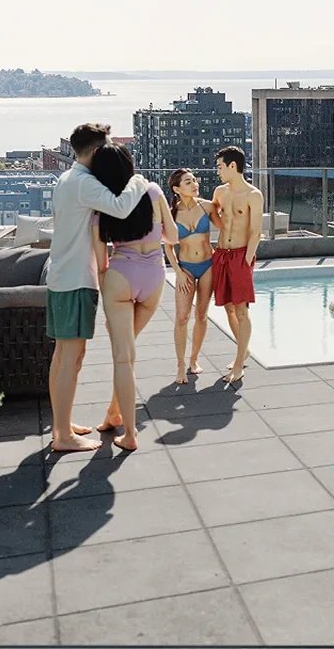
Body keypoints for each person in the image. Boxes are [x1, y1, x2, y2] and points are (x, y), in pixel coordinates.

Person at [45, 123, 151, 454]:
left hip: (63, 275)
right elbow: (120, 207)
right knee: (70, 357)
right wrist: (138, 181)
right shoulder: (84, 183)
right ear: (94, 151)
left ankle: (61, 422)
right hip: (76, 279)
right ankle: (62, 434)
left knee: (64, 355)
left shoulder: (68, 179)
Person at [88, 145, 176, 451]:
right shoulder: (152, 191)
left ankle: (130, 435)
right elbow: (173, 236)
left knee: (123, 356)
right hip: (154, 277)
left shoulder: (101, 208)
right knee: (129, 352)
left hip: (120, 277)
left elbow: (100, 264)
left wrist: (106, 290)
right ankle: (114, 415)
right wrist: (154, 234)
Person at [209, 145, 262, 384]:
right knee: (228, 308)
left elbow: (256, 231)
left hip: (241, 255)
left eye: (220, 166)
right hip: (221, 253)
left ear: (233, 166)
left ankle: (239, 363)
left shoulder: (253, 194)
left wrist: (247, 259)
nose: (218, 171)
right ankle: (245, 349)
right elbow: (214, 215)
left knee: (242, 310)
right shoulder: (220, 192)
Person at [167, 167, 219, 385]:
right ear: (177, 189)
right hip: (186, 267)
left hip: (208, 265)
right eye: (188, 182)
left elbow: (227, 228)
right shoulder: (172, 213)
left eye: (195, 181)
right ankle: (180, 365)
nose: (195, 184)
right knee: (181, 317)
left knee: (201, 315)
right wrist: (178, 272)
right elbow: (168, 247)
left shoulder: (207, 206)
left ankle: (194, 359)